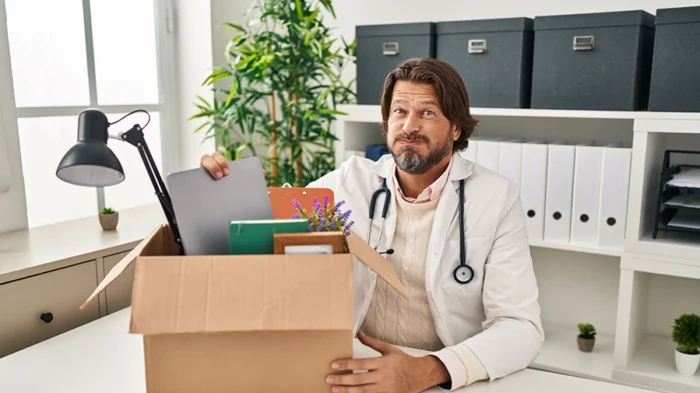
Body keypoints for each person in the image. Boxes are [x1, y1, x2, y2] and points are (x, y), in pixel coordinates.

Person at [200, 57, 544, 393]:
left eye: (427, 112)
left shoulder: (496, 197)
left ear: (456, 127)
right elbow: (276, 221)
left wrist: (427, 371)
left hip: (445, 373)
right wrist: (228, 185)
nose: (409, 126)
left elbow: (521, 326)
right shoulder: (350, 180)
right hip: (356, 366)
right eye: (399, 112)